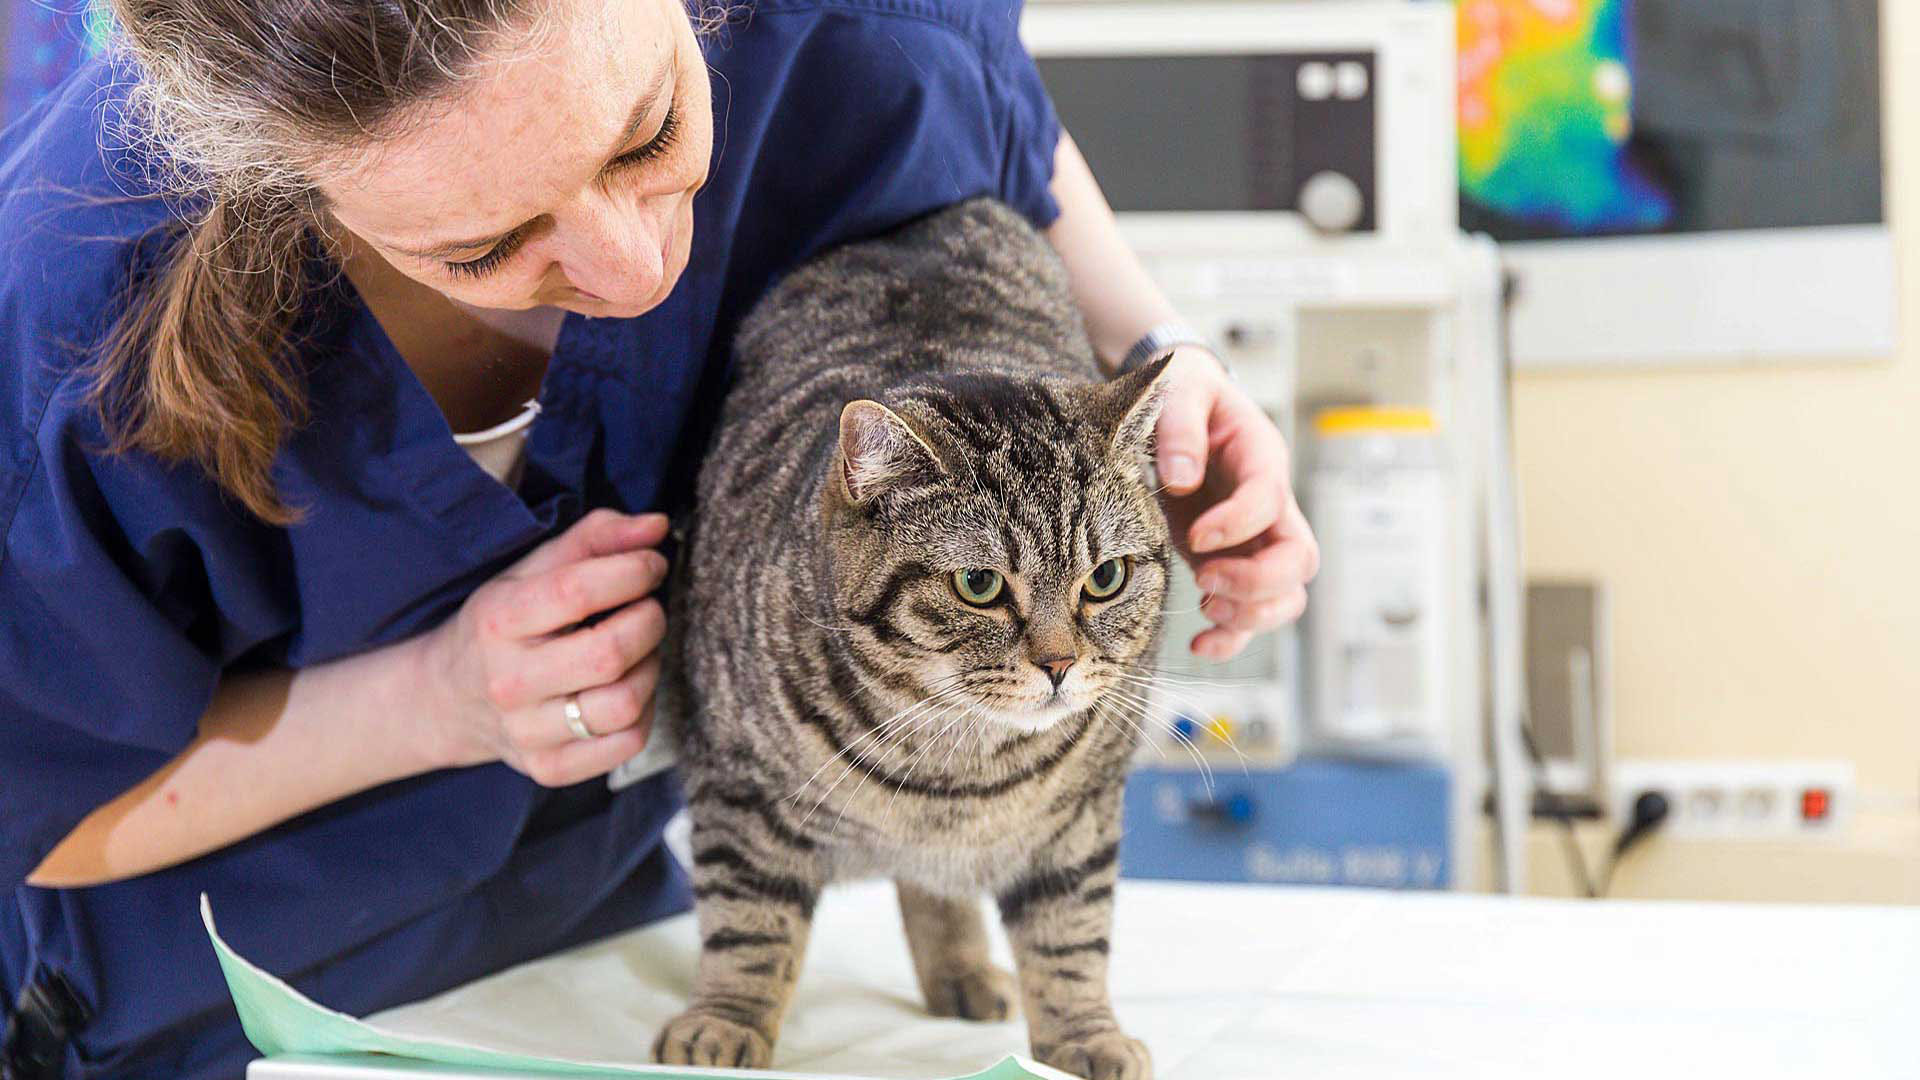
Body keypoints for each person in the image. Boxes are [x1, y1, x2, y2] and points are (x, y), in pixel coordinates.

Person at [0, 0, 1319, 1074]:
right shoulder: (63, 314)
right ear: (282, 185)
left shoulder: (817, 28)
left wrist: (1158, 345)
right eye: (488, 243)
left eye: (652, 132)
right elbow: (34, 803)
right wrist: (436, 698)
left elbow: (973, 102)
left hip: (601, 955)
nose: (638, 272)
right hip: (215, 1013)